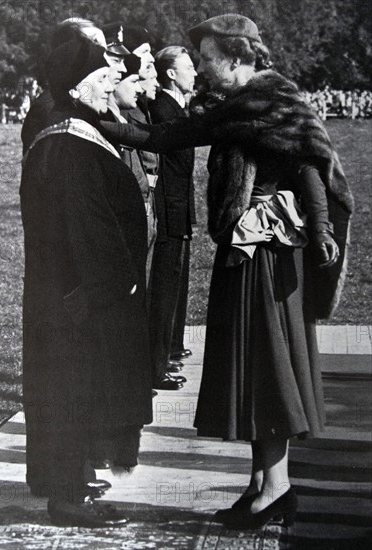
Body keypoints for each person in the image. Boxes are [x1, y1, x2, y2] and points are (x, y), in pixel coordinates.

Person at [99, 14, 353, 530]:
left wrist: (322, 230)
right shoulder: (235, 107)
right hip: (244, 254)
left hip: (269, 257)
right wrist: (97, 121)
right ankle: (262, 484)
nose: (201, 67)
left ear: (235, 60)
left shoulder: (274, 101)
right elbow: (167, 135)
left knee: (269, 370)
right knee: (254, 368)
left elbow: (311, 167)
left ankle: (277, 488)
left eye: (208, 58)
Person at [20, 36, 152, 527]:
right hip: (77, 299)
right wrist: (120, 286)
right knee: (71, 388)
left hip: (74, 296)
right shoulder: (66, 146)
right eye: (102, 78)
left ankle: (69, 476)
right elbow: (87, 229)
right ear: (77, 87)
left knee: (75, 388)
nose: (111, 83)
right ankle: (68, 495)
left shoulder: (74, 136)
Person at [146, 46, 197, 390]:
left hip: (178, 206)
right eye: (189, 67)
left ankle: (171, 347)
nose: (195, 72)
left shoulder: (175, 107)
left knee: (175, 283)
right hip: (168, 209)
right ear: (171, 74)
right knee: (164, 288)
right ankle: (157, 364)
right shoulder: (165, 108)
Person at [21, 18, 127, 154]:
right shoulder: (48, 107)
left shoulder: (88, 103)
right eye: (96, 47)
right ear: (69, 49)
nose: (104, 58)